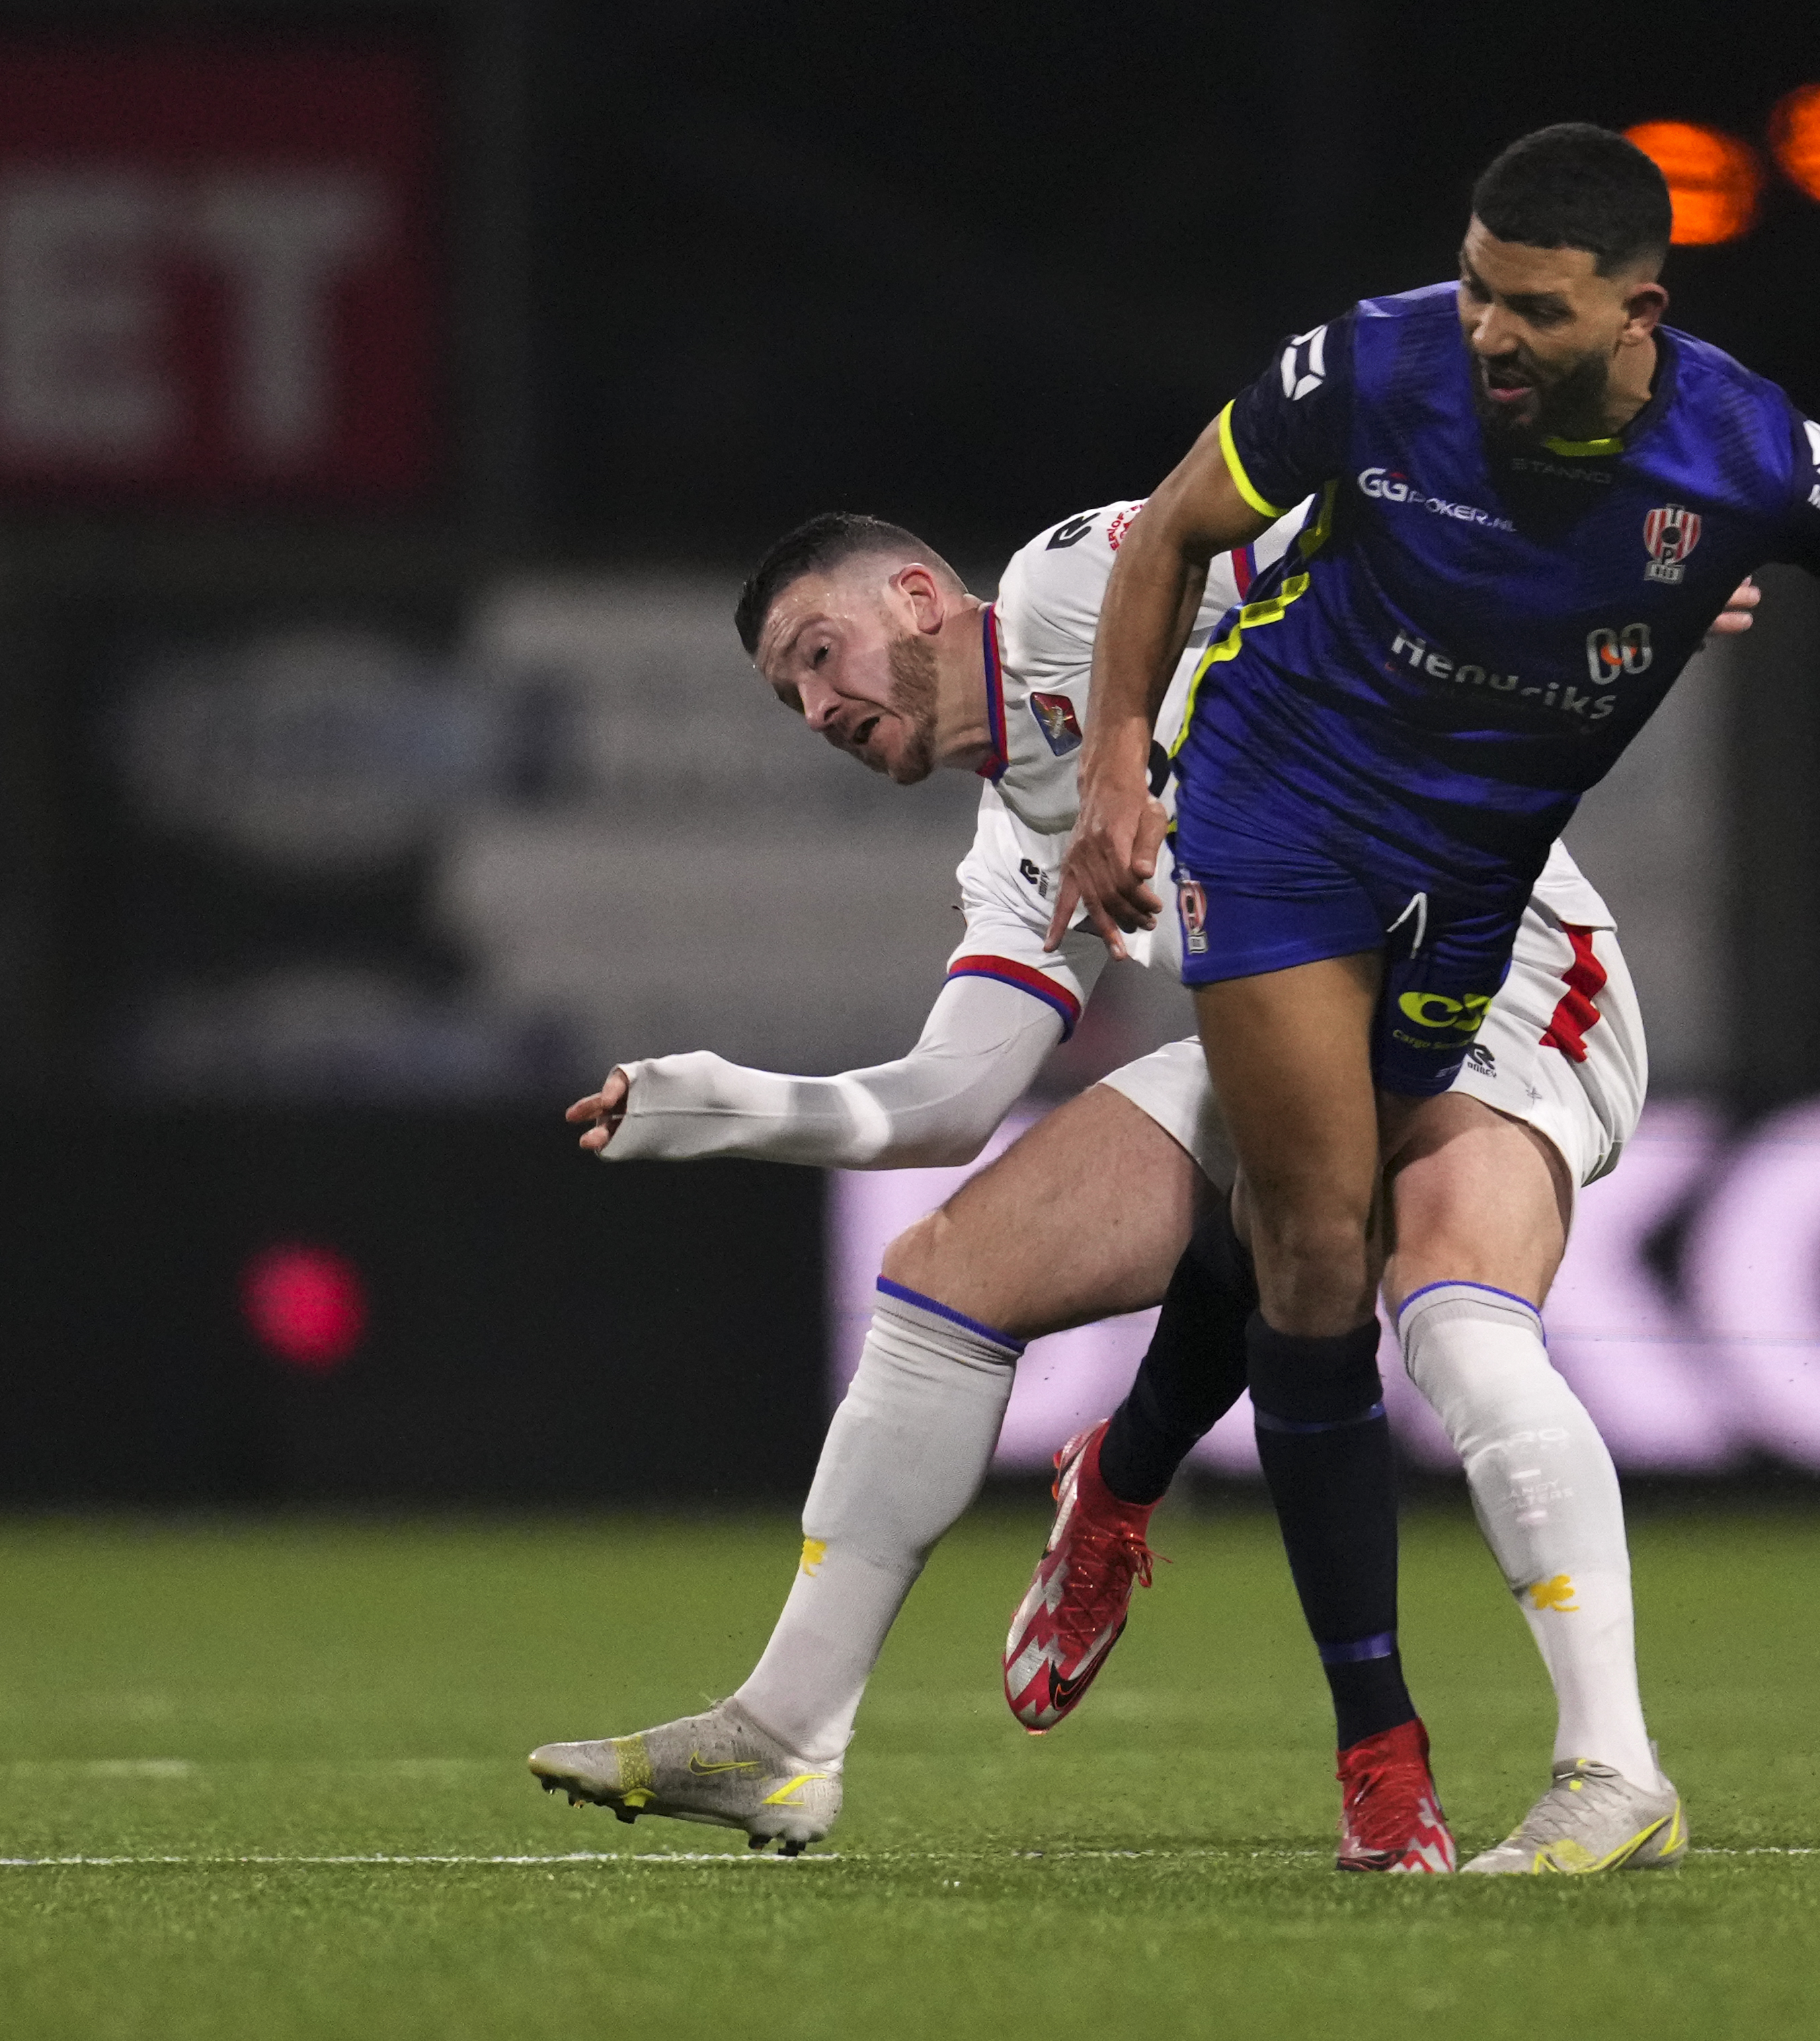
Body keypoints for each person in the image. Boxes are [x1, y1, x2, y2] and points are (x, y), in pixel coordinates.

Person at [1040, 124, 1820, 1861]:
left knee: (1318, 1217)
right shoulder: (1373, 362)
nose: (1489, 334)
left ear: (1637, 310)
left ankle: (1118, 1467)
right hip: (1282, 805)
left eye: (1531, 307)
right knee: (1315, 1234)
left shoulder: (1747, 450)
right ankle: (1384, 1748)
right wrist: (1120, 771)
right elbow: (1172, 534)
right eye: (1475, 289)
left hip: (1481, 876)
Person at [529, 497, 1742, 1870]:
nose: (813, 706)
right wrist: (715, 1104)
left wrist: (1582, 583)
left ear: (922, 599)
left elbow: (1345, 514)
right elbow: (948, 1102)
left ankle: (1612, 1766)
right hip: (1291, 1031)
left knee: (1456, 1321)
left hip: (1503, 978)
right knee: (946, 1272)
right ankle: (782, 1736)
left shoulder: (1074, 582)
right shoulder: (1015, 851)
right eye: (786, 694)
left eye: (819, 654)